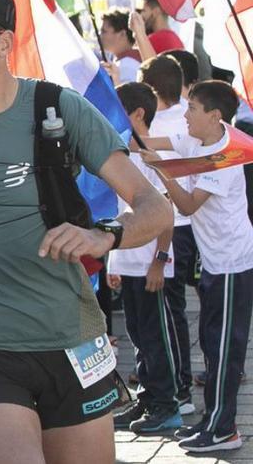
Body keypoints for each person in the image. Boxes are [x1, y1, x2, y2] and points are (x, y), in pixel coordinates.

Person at [0, 0, 172, 464]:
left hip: (70, 336)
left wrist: (102, 236)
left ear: (4, 42)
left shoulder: (59, 109)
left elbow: (156, 208)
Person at [138, 81, 253, 451]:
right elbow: (148, 145)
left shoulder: (224, 157)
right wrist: (134, 133)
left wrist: (163, 172)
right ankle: (213, 420)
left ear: (214, 116)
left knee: (224, 348)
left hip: (234, 262)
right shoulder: (199, 139)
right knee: (211, 342)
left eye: (192, 110)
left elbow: (187, 206)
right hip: (216, 262)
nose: (185, 116)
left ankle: (223, 430)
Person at [104, 82, 180, 435]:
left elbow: (167, 213)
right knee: (137, 335)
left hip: (151, 264)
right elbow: (120, 214)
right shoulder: (123, 156)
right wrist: (112, 262)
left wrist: (160, 260)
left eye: (119, 113)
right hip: (128, 262)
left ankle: (166, 405)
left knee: (155, 336)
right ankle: (147, 399)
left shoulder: (151, 157)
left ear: (137, 115)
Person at [138, 55, 199, 409]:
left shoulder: (171, 124)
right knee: (166, 311)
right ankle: (172, 386)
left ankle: (180, 389)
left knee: (169, 312)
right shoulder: (180, 118)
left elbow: (143, 145)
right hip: (179, 227)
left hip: (175, 228)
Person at [98, 9, 142, 85]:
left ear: (122, 34)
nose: (100, 36)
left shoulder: (127, 66)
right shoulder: (126, 62)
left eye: (104, 31)